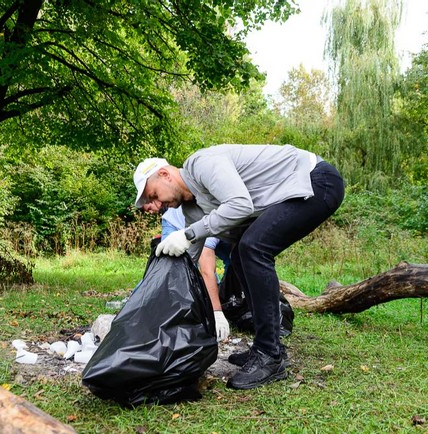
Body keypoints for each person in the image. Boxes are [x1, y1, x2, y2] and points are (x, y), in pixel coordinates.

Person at [132, 145, 344, 390]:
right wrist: (153, 302)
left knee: (252, 248)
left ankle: (269, 355)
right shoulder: (191, 208)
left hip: (315, 180)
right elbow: (191, 259)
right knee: (242, 254)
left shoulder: (202, 163)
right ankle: (268, 346)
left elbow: (240, 204)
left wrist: (188, 234)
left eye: (153, 195)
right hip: (298, 190)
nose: (155, 205)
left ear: (165, 174)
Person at [161, 206, 232, 341]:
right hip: (176, 223)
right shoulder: (209, 223)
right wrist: (216, 313)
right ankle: (140, 300)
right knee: (171, 270)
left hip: (217, 227)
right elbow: (205, 269)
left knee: (237, 259)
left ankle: (233, 302)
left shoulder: (232, 217)